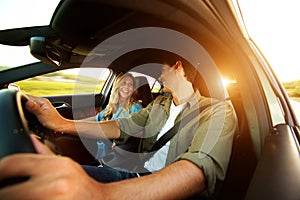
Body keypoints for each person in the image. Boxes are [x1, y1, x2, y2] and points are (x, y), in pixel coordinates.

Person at [0, 60, 237, 199]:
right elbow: (122, 126)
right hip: (133, 173)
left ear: (179, 68)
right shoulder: (160, 104)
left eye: (163, 71)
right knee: (42, 181)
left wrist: (98, 194)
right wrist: (61, 122)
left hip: (164, 191)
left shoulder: (217, 111)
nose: (161, 76)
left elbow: (197, 172)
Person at [91, 73, 143, 159]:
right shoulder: (112, 106)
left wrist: (122, 137)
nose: (127, 87)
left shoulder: (135, 107)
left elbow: (141, 130)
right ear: (117, 86)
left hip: (113, 153)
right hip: (99, 147)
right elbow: (96, 119)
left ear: (133, 89)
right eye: (124, 83)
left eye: (130, 85)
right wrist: (74, 124)